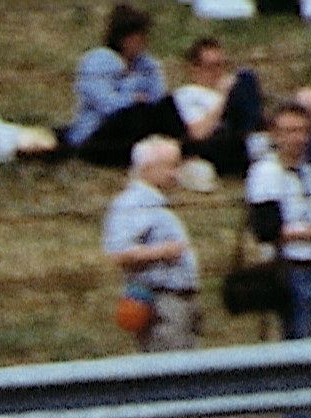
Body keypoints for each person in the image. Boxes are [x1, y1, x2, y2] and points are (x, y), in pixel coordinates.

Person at [247, 92, 311, 339]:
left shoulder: (308, 173)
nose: (297, 138)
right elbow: (267, 230)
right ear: (275, 134)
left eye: (302, 131)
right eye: (289, 131)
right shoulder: (266, 173)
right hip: (290, 268)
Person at [59, 5, 182, 171]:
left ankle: (182, 150)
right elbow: (106, 104)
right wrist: (132, 100)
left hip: (135, 128)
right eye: (138, 36)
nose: (143, 42)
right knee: (133, 114)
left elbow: (157, 98)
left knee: (167, 105)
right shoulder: (97, 61)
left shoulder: (148, 65)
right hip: (97, 133)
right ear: (123, 37)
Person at [105, 133, 196, 351]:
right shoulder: (133, 204)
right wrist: (163, 252)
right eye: (170, 166)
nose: (176, 174)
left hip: (179, 301)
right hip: (161, 302)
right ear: (147, 168)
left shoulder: (157, 204)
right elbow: (119, 252)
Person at [169, 36, 263, 188]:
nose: (217, 72)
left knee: (246, 77)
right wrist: (224, 98)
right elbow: (198, 133)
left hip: (239, 132)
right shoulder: (187, 94)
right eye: (210, 66)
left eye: (220, 65)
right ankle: (257, 144)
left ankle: (257, 140)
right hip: (215, 141)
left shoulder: (231, 87)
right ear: (194, 69)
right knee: (244, 80)